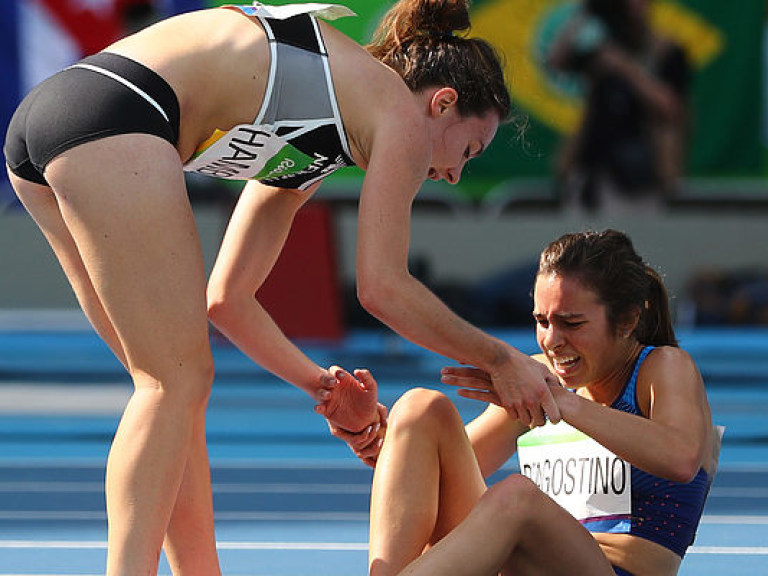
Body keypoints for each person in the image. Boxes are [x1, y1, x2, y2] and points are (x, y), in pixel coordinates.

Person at [3, 0, 560, 573]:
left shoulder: (326, 122)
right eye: (467, 150)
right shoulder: (398, 113)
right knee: (174, 383)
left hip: (50, 118)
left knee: (173, 393)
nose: (453, 175)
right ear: (443, 103)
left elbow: (228, 298)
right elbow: (383, 288)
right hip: (118, 112)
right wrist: (501, 359)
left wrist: (325, 388)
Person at [335, 229, 718, 575]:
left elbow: (681, 458)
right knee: (420, 408)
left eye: (571, 323)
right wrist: (376, 436)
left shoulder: (663, 367)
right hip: (518, 566)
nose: (552, 341)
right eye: (542, 321)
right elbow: (434, 475)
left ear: (628, 321)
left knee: (517, 496)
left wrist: (564, 404)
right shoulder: (538, 379)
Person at [547, 0, 690, 211]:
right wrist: (586, 12)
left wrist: (625, 68)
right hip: (591, 170)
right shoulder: (602, 49)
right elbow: (556, 61)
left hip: (640, 173)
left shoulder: (665, 51)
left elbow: (670, 107)